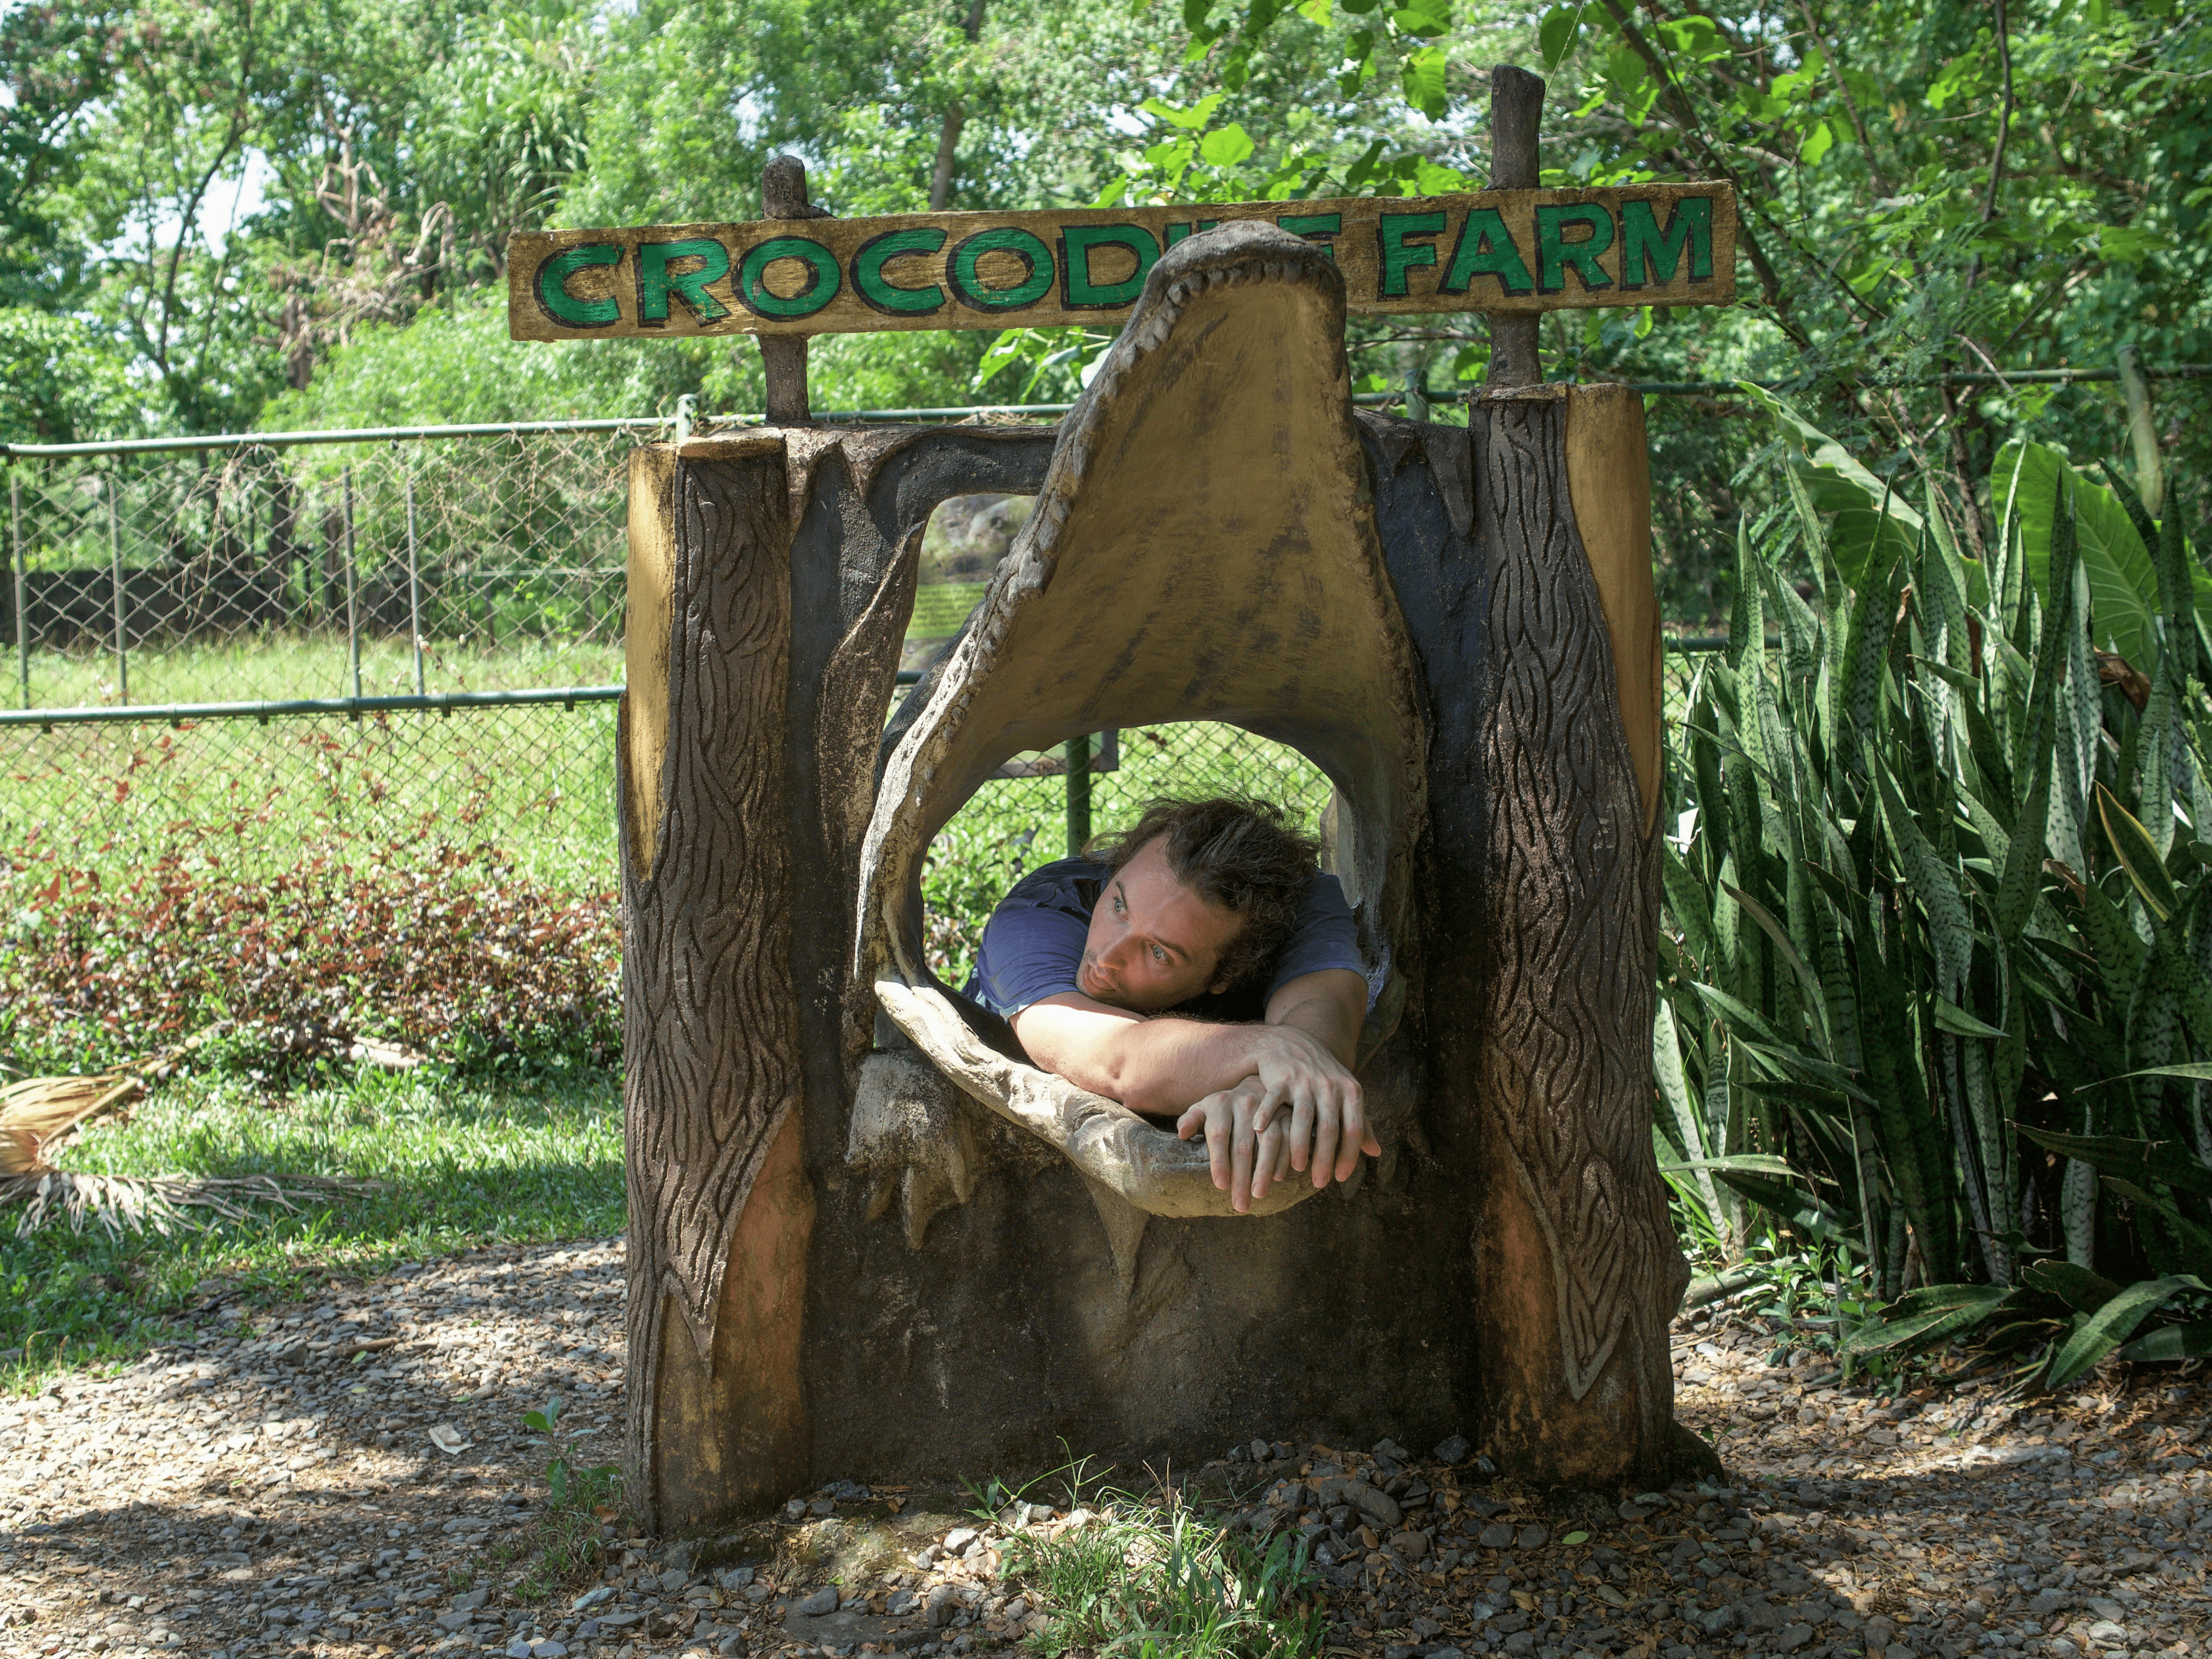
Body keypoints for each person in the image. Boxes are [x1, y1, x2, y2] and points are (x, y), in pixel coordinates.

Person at [962, 795, 1379, 1213]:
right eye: (1119, 905)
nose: (1107, 956)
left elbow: (1324, 1020)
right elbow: (1115, 1059)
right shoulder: (1038, 911)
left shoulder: (1300, 904)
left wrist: (1261, 1094)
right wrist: (1268, 1051)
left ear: (1228, 975)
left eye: (1158, 952)